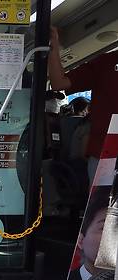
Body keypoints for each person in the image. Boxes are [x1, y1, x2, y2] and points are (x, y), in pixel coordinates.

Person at [48, 26, 118, 182]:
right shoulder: (105, 64)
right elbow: (58, 82)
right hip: (104, 157)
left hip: (102, 155)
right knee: (100, 206)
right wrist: (53, 46)